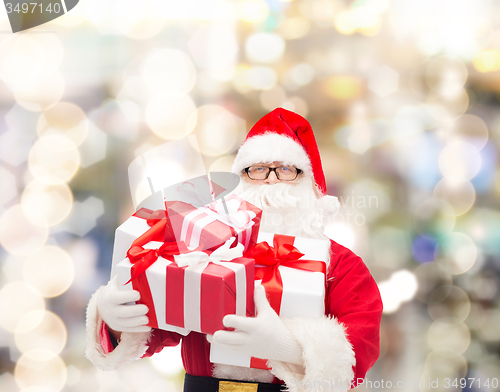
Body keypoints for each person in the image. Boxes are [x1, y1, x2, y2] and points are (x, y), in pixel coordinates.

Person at [86, 108, 383, 392]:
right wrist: (115, 317)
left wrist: (285, 346)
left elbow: (360, 345)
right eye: (257, 169)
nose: (270, 179)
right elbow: (162, 318)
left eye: (285, 169)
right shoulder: (201, 245)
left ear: (309, 183)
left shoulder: (341, 264)